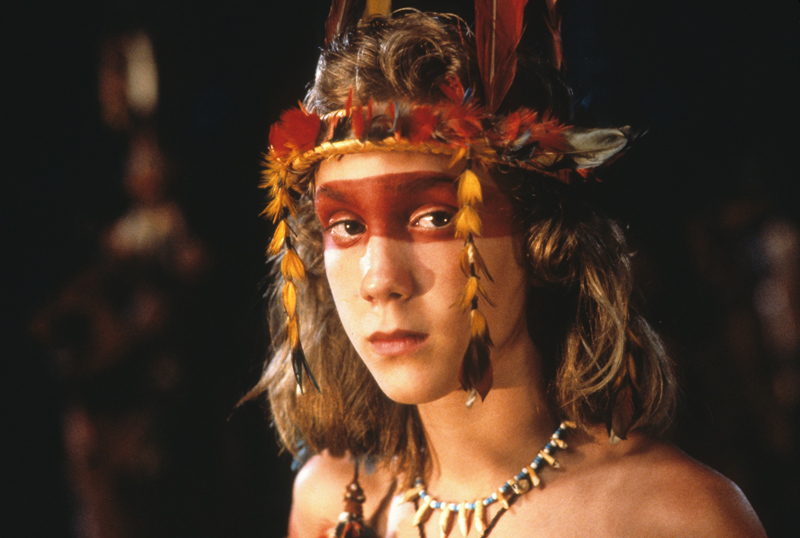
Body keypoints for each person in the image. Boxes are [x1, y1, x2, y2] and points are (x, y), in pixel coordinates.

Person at [247, 3, 767, 537]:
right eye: (347, 226)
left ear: (542, 241)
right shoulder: (330, 503)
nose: (380, 281)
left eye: (436, 217)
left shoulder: (671, 517)